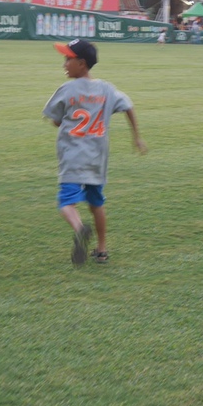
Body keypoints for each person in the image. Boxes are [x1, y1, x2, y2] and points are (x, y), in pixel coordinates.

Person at [43, 39, 147, 265]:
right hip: (98, 157)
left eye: (68, 59)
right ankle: (101, 249)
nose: (64, 64)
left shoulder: (67, 89)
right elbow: (128, 105)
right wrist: (136, 137)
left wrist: (65, 123)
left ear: (81, 63)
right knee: (96, 203)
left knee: (66, 203)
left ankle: (80, 229)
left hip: (73, 156)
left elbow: (55, 120)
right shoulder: (107, 89)